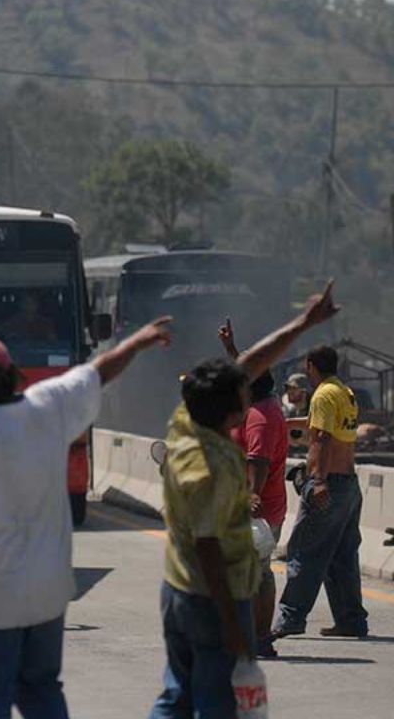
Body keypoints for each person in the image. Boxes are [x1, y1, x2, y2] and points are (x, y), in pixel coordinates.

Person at [0, 317, 173, 719]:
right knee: (42, 692)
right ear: (11, 374)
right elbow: (100, 369)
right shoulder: (48, 405)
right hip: (49, 593)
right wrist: (141, 340)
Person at [150, 284, 338, 718]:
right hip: (209, 595)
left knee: (177, 695)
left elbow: (251, 366)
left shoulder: (185, 425)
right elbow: (210, 548)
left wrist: (302, 324)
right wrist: (239, 628)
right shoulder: (211, 465)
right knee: (217, 701)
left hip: (177, 589)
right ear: (227, 405)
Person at [271, 344, 368, 644]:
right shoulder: (342, 392)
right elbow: (324, 426)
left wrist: (319, 480)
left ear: (311, 365)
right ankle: (351, 621)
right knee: (342, 558)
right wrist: (286, 424)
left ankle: (290, 618)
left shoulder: (323, 394)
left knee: (304, 552)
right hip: (348, 485)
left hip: (329, 483)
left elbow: (323, 436)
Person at [217, 319, 289, 658]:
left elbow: (258, 460)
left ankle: (259, 638)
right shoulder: (264, 403)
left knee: (257, 574)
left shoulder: (259, 415)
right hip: (255, 502)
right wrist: (232, 350)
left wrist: (251, 495)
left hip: (258, 505)